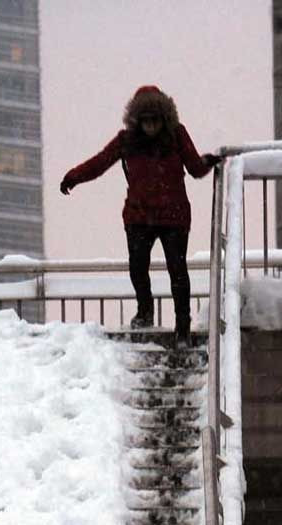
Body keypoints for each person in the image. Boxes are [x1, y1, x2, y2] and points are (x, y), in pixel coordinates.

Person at [60, 85, 220, 346]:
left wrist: (208, 161)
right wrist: (74, 177)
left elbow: (194, 168)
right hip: (139, 216)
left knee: (177, 270)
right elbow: (100, 162)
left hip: (173, 216)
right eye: (146, 121)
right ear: (137, 120)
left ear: (164, 118)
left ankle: (183, 325)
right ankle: (145, 311)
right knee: (138, 267)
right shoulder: (126, 141)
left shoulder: (177, 135)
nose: (151, 126)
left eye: (155, 120)